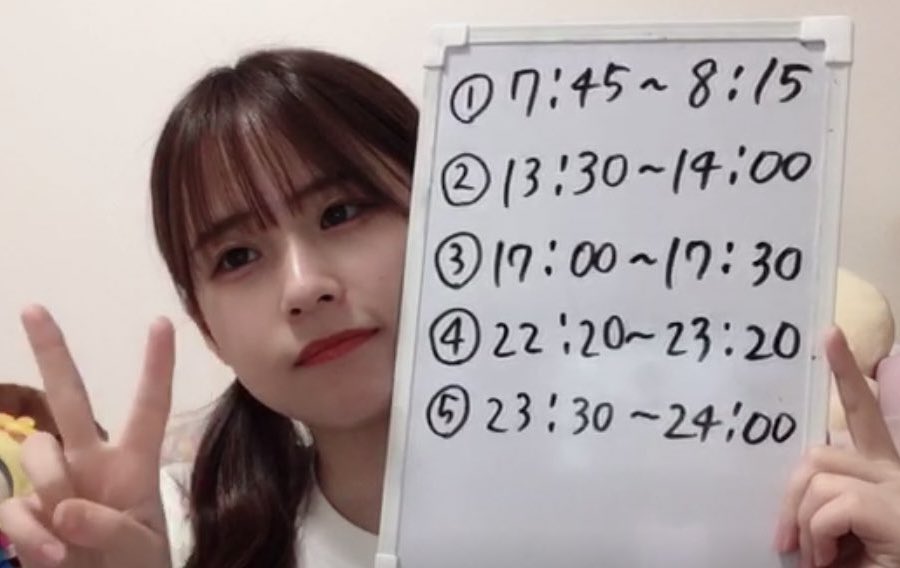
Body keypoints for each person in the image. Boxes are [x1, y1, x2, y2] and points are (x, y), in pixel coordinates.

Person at [0, 47, 898, 568]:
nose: (304, 285)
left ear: (458, 217)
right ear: (207, 329)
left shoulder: (705, 486)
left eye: (342, 212)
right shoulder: (186, 533)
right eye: (237, 257)